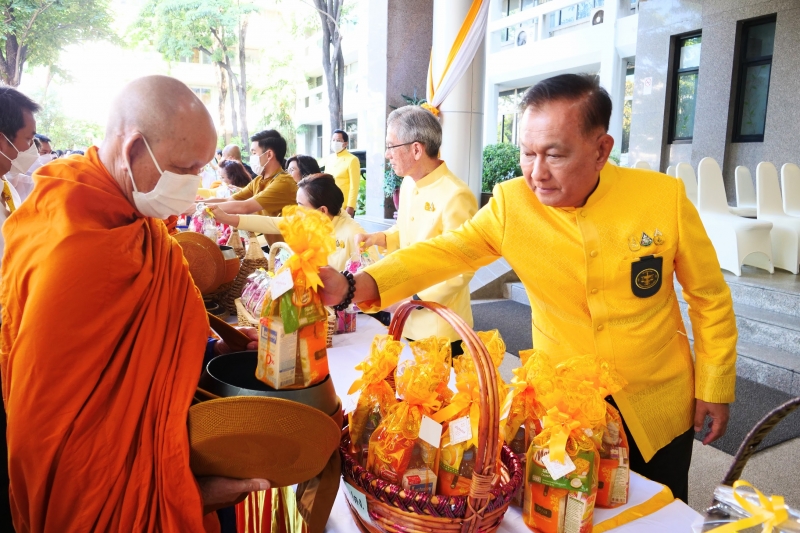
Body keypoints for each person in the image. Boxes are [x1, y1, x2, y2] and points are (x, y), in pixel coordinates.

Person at [318, 74, 737, 503]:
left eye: (554, 154)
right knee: (562, 510)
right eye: (527, 153)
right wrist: (357, 284)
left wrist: (714, 385)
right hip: (562, 410)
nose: (537, 173)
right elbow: (445, 253)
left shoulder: (661, 197)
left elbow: (709, 298)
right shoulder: (512, 204)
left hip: (657, 399)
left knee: (660, 512)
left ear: (601, 149)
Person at [0, 75, 269, 532]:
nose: (194, 184)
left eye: (203, 168)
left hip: (160, 450)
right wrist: (187, 491)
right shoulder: (72, 248)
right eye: (185, 168)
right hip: (105, 498)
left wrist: (211, 354)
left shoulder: (139, 223)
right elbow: (64, 438)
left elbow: (145, 352)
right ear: (131, 151)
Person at [354, 106, 477, 355]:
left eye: (391, 146)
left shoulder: (456, 194)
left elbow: (463, 266)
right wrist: (379, 237)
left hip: (441, 325)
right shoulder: (409, 183)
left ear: (417, 149)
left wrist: (416, 300)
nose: (387, 154)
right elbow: (405, 228)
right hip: (407, 316)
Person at [211, 173, 364, 271]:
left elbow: (370, 280)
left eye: (301, 206)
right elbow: (270, 223)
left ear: (322, 211)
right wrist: (227, 218)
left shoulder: (354, 234)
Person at [323, 129, 360, 217]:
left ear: (345, 143)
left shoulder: (352, 160)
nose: (335, 142)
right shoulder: (329, 159)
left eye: (338, 140)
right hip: (329, 204)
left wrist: (350, 206)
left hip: (344, 206)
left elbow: (354, 186)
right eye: (333, 140)